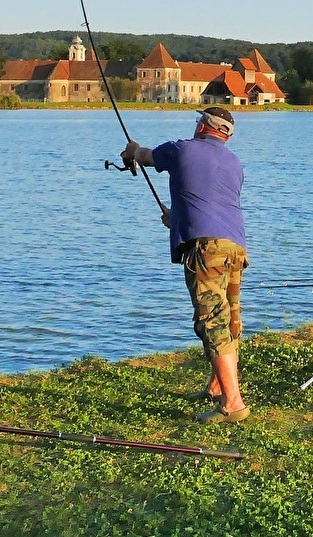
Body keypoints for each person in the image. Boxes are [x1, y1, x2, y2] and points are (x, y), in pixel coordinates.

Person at [122, 107, 249, 424]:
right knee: (230, 315)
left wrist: (132, 150)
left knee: (212, 319)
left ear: (204, 125)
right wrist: (176, 218)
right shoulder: (234, 163)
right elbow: (209, 199)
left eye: (198, 121)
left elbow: (147, 156)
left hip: (205, 248)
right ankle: (218, 386)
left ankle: (232, 402)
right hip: (234, 246)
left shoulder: (182, 148)